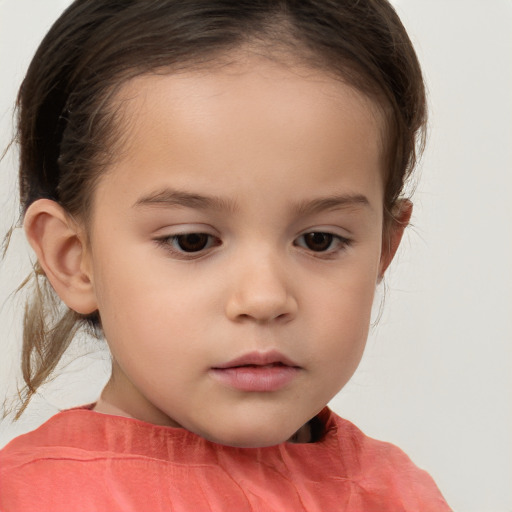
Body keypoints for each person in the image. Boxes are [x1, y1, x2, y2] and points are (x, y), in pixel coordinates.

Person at [0, 0, 451, 510]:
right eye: (192, 240)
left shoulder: (403, 496)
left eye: (320, 240)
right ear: (72, 257)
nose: (263, 299)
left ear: (383, 251)